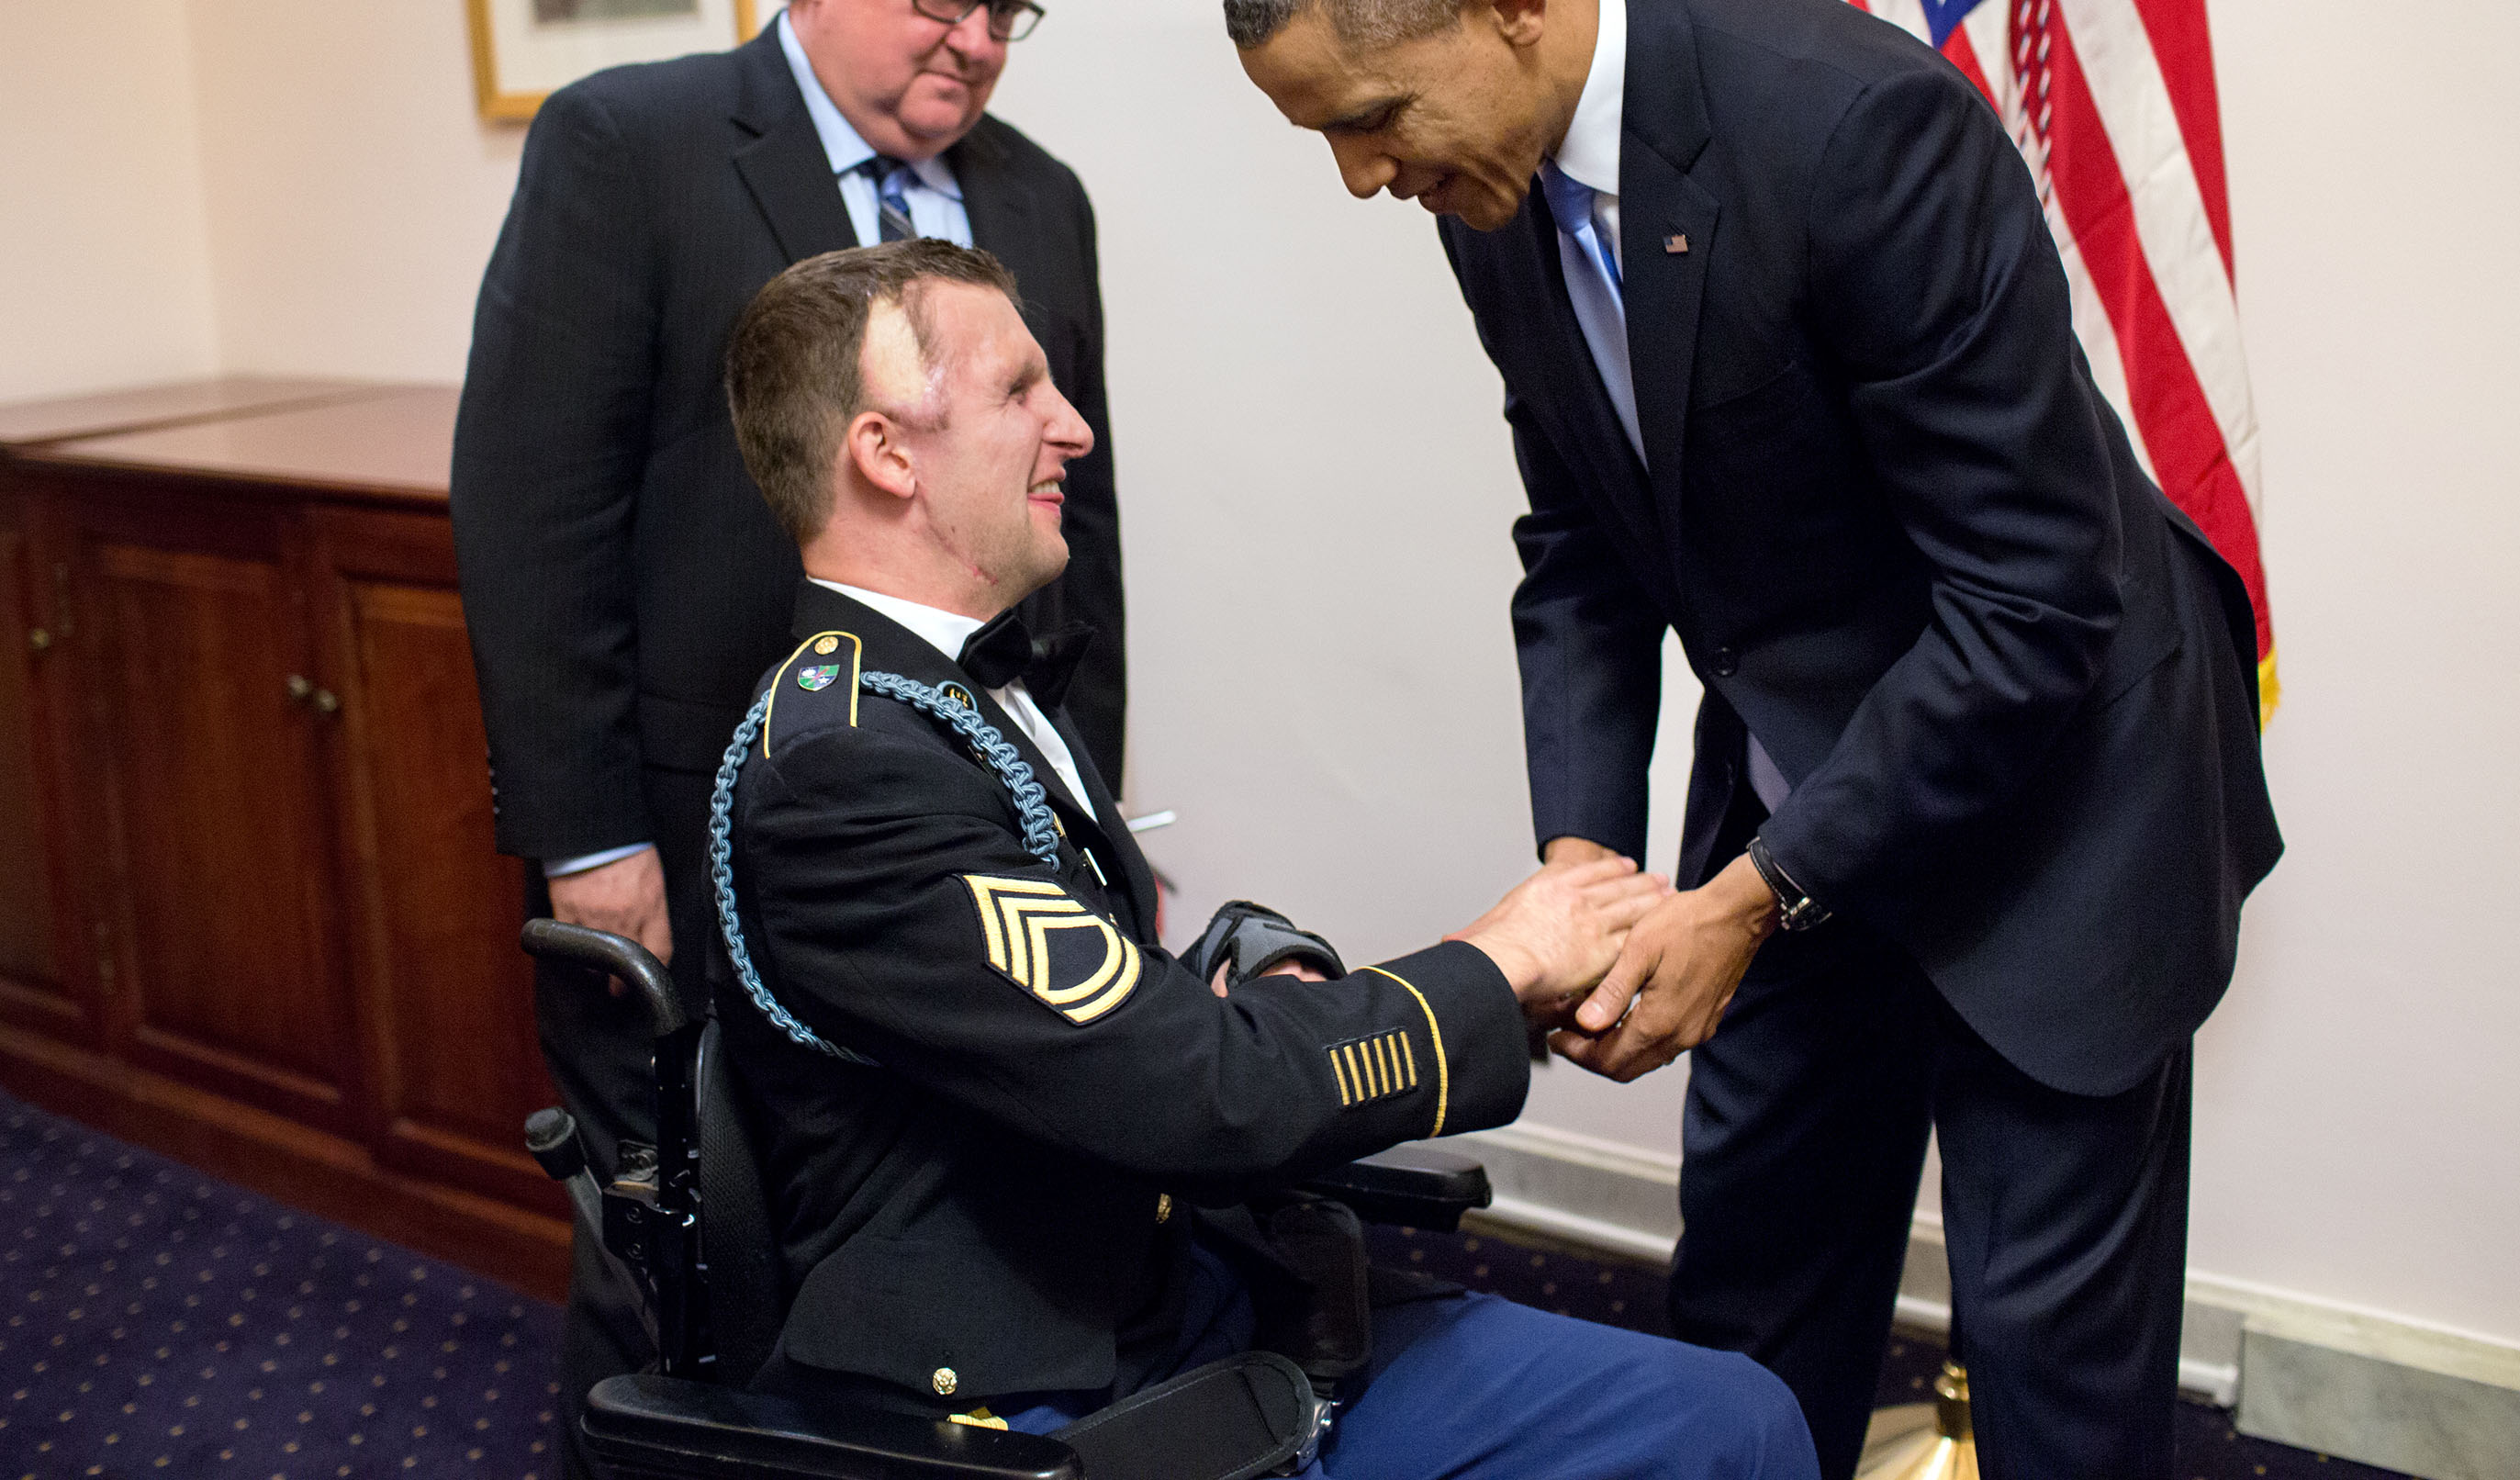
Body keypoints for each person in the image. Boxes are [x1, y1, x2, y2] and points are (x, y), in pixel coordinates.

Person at [1224, 0, 2282, 1480]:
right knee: (1747, 1337)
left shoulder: (1857, 128)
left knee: (2052, 1382)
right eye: (1325, 140)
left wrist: (1751, 895)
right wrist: (1588, 864)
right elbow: (1580, 541)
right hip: (1803, 785)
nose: (1365, 178)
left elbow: (2037, 597)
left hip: (2062, 789)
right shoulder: (1481, 182)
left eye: (1371, 121)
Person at [708, 239, 1813, 1479]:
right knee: (1728, 1432)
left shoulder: (945, 698)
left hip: (1170, 1282)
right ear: (888, 454)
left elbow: (1078, 1031)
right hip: (1036, 1395)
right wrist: (1500, 964)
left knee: (1734, 1417)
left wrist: (1235, 997)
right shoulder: (842, 765)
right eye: (1019, 391)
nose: (1071, 426)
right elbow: (1194, 1094)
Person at [450, 0, 1126, 1469]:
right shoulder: (636, 145)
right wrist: (590, 837)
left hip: (961, 831)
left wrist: (1093, 815)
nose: (976, 42)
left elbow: (1077, 532)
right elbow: (533, 511)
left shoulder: (1037, 200)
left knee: (920, 1224)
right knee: (675, 1243)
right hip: (683, 823)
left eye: (1006, 11)